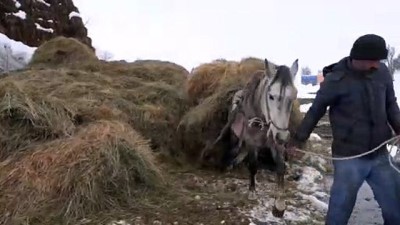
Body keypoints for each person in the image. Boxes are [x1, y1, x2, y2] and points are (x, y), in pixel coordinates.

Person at [288, 34, 400, 225]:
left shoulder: (382, 73)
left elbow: (390, 104)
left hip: (379, 156)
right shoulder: (335, 80)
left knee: (395, 207)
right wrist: (298, 140)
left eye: (378, 61)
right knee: (339, 210)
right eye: (372, 61)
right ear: (358, 58)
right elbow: (315, 111)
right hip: (349, 158)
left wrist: (398, 127)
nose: (376, 65)